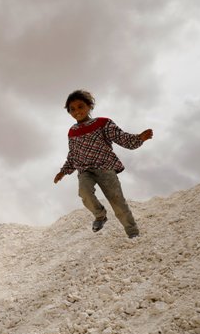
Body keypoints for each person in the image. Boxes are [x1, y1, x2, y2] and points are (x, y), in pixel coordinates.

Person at [53, 89, 153, 238]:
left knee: (118, 202)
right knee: (84, 192)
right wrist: (63, 171)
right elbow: (73, 154)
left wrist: (139, 138)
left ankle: (133, 233)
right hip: (85, 171)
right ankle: (100, 216)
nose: (77, 111)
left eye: (80, 106)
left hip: (105, 168)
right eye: (72, 109)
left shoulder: (103, 123)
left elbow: (121, 137)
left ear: (89, 106)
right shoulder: (72, 132)